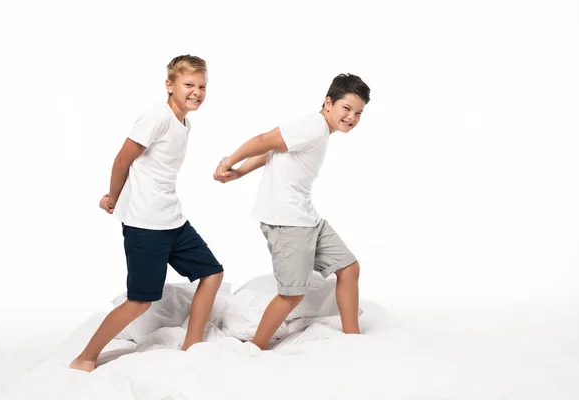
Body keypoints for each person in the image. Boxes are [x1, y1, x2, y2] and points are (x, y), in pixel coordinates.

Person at [70, 55, 224, 372]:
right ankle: (85, 357)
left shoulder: (184, 122)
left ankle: (192, 346)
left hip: (174, 221)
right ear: (169, 85)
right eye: (189, 85)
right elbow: (122, 160)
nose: (196, 92)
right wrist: (113, 198)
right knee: (140, 300)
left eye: (202, 86)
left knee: (212, 273)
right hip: (146, 224)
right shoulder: (156, 117)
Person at [213, 73, 370, 350]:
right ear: (328, 102)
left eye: (358, 113)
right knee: (292, 294)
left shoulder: (319, 131)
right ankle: (256, 348)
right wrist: (230, 160)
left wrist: (239, 173)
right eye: (347, 108)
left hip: (306, 216)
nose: (352, 118)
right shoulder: (312, 126)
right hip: (287, 220)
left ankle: (353, 340)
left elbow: (274, 150)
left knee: (348, 268)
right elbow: (265, 139)